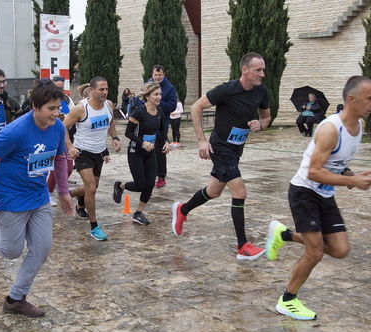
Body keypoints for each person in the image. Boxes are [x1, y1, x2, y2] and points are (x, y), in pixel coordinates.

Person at [264, 75, 371, 320]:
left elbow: (335, 165)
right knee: (314, 252)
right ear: (351, 99)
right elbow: (314, 171)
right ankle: (288, 300)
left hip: (324, 194)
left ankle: (285, 235)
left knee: (339, 250)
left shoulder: (358, 128)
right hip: (304, 192)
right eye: (369, 98)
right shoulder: (330, 129)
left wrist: (349, 174)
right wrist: (352, 181)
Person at [0, 80, 69, 318]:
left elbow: (60, 159)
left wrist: (63, 192)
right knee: (11, 251)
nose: (56, 113)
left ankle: (15, 299)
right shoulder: (17, 130)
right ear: (35, 106)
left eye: (58, 107)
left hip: (38, 197)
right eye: (51, 108)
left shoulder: (58, 128)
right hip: (11, 198)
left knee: (41, 249)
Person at [171, 52, 271, 260]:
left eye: (263, 69)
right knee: (240, 191)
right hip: (220, 147)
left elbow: (267, 116)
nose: (263, 74)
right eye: (258, 70)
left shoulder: (261, 92)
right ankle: (243, 246)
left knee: (214, 191)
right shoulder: (227, 90)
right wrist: (201, 140)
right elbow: (196, 106)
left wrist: (261, 124)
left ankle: (183, 209)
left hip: (236, 149)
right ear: (245, 70)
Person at [65, 76, 121, 241]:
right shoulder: (80, 109)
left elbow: (110, 123)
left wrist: (115, 138)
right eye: (101, 89)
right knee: (91, 188)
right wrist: (70, 147)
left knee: (93, 186)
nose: (105, 92)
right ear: (92, 90)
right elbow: (62, 128)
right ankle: (94, 226)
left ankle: (72, 193)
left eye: (106, 89)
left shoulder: (109, 105)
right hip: (83, 152)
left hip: (99, 152)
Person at [113, 82, 170, 225]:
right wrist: (142, 143)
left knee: (150, 183)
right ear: (148, 96)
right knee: (140, 185)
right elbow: (128, 132)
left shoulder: (160, 111)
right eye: (156, 94)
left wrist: (167, 142)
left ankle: (138, 212)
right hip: (135, 151)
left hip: (150, 152)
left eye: (160, 94)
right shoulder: (139, 111)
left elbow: (162, 131)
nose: (159, 97)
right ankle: (120, 186)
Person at [149, 65, 177, 188]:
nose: (157, 77)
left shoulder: (170, 88)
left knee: (160, 151)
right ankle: (149, 173)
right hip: (147, 121)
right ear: (152, 74)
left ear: (163, 74)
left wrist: (158, 103)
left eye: (160, 75)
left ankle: (161, 176)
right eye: (155, 75)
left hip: (162, 123)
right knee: (147, 149)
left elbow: (172, 106)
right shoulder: (147, 85)